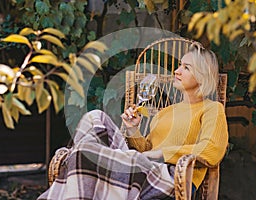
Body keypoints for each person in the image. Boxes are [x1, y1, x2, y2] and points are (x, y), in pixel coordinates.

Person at [38, 41, 228, 200]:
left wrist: (158, 154)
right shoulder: (166, 112)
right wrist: (132, 130)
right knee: (95, 118)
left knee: (84, 152)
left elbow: (211, 150)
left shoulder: (212, 109)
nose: (177, 71)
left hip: (172, 178)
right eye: (179, 65)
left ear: (202, 77)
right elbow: (144, 150)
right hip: (142, 169)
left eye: (186, 68)